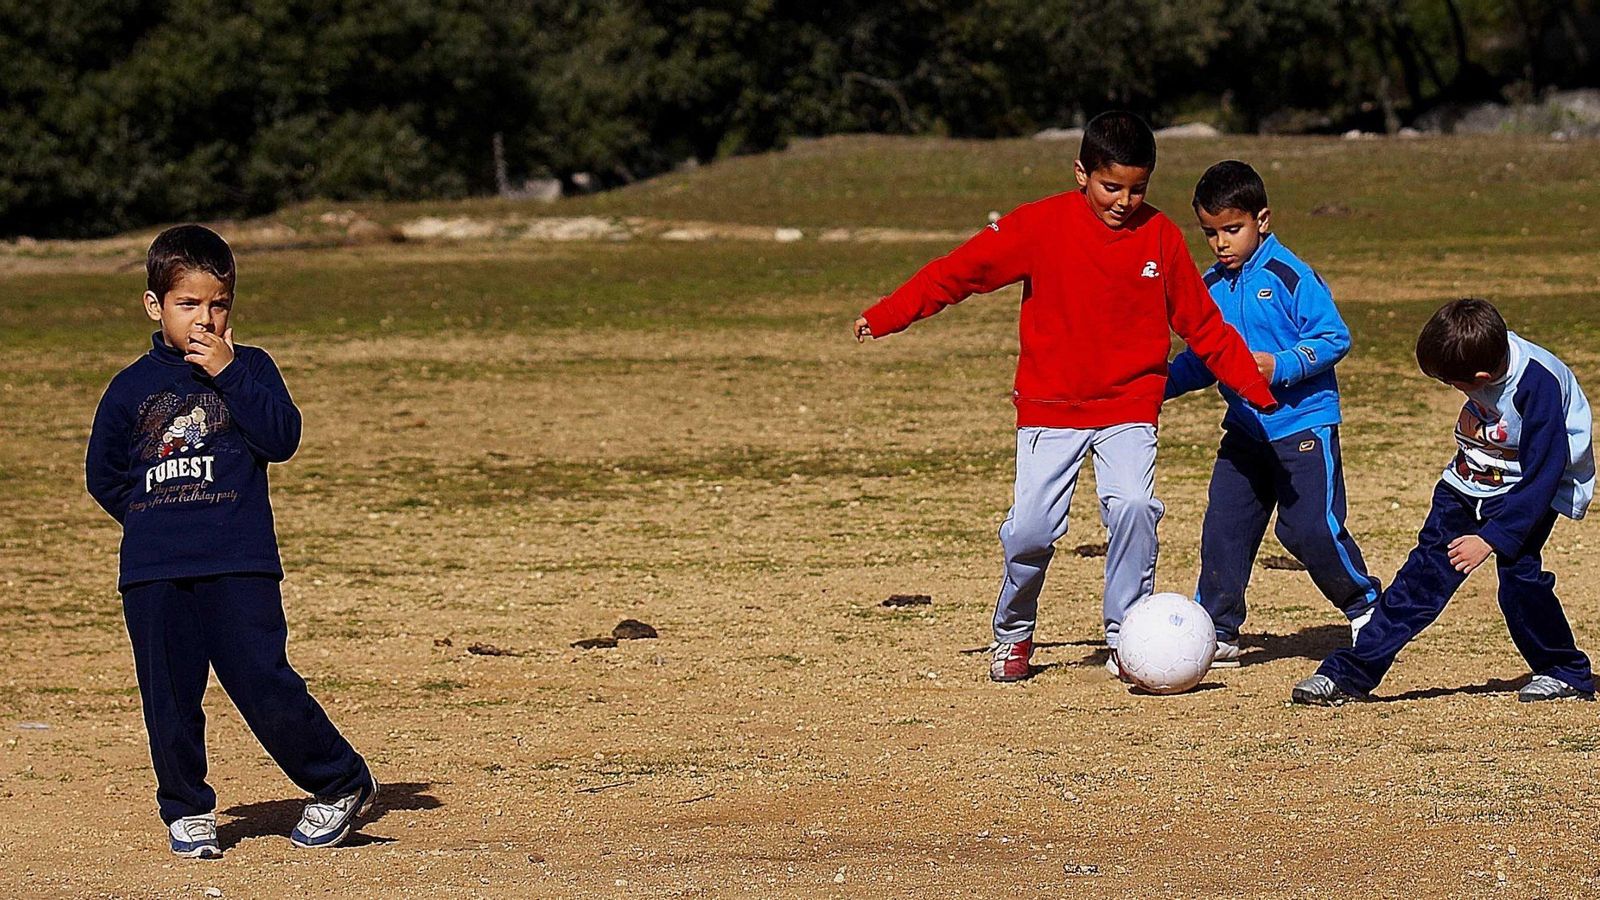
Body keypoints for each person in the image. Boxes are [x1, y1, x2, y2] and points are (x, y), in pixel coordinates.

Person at [852, 112, 1276, 683]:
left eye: (1138, 188)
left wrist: (1255, 390)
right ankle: (1013, 633)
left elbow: (1204, 327)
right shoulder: (1038, 225)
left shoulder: (1162, 238)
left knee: (1133, 509)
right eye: (1112, 187)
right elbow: (959, 273)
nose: (1124, 201)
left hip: (1128, 406)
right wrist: (887, 315)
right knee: (1031, 529)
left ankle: (1128, 638)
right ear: (1082, 173)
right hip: (1050, 407)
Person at [86, 224, 377, 858]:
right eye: (187, 304)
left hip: (238, 561)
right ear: (154, 305)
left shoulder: (252, 369)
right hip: (154, 570)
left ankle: (339, 781)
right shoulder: (130, 387)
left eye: (218, 305)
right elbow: (104, 475)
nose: (204, 319)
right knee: (168, 695)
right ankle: (187, 809)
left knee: (260, 678)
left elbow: (281, 439)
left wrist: (230, 373)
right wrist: (152, 522)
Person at [1293, 298, 1595, 705]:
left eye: (1455, 384)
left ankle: (1566, 671)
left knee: (1520, 583)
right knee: (1419, 581)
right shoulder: (1481, 349)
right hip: (1468, 482)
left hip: (1525, 491)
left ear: (1482, 376)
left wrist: (1490, 538)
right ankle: (1347, 674)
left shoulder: (1536, 386)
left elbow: (1543, 476)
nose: (1455, 391)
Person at [1165, 160, 1380, 667]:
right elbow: (1202, 360)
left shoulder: (1290, 275)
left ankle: (1367, 605)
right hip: (1244, 432)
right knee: (1224, 528)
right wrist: (1154, 389)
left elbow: (1334, 338)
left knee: (1307, 529)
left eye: (1232, 229)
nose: (1221, 243)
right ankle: (1216, 630)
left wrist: (1278, 366)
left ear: (1262, 220)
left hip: (1302, 424)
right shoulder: (1211, 285)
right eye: (1210, 233)